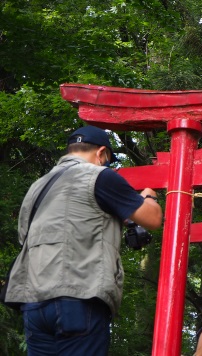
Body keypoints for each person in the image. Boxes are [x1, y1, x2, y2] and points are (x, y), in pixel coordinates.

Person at [4, 125, 163, 356]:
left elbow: (24, 236)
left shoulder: (36, 187)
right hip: (78, 296)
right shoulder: (100, 175)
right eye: (107, 159)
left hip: (33, 302)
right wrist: (148, 196)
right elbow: (153, 218)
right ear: (101, 153)